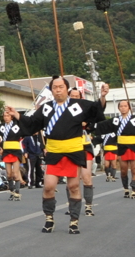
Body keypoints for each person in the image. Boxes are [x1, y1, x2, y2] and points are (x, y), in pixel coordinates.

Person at [11, 78, 108, 234]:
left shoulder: (78, 105)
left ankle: (74, 221)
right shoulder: (46, 108)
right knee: (49, 186)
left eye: (61, 87)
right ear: (51, 90)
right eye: (54, 87)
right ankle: (49, 218)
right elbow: (32, 123)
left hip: (73, 150)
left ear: (66, 89)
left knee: (73, 186)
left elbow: (96, 110)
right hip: (54, 151)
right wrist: (17, 114)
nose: (58, 90)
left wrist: (103, 97)